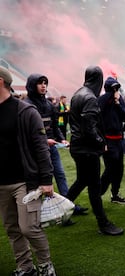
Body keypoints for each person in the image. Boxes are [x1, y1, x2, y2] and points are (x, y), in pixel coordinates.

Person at [0, 66, 56, 275]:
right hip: (2, 183)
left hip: (26, 182)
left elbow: (41, 147)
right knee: (12, 229)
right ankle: (25, 267)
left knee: (29, 228)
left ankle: (45, 265)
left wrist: (46, 180)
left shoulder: (25, 111)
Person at [66, 65, 123, 235]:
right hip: (87, 149)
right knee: (93, 186)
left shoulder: (78, 93)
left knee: (82, 181)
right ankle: (103, 223)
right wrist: (100, 143)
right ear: (98, 80)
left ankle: (61, 211)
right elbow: (89, 128)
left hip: (78, 147)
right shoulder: (89, 98)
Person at [24, 74, 87, 219]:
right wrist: (45, 141)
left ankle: (67, 206)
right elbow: (26, 133)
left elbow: (54, 126)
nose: (43, 86)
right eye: (40, 83)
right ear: (32, 85)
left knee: (60, 175)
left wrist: (61, 139)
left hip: (51, 149)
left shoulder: (48, 105)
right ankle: (38, 214)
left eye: (45, 83)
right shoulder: (26, 106)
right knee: (39, 182)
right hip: (35, 151)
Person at [98, 76, 125, 204]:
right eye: (113, 88)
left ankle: (115, 194)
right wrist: (102, 141)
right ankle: (98, 194)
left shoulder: (119, 100)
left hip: (118, 140)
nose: (115, 90)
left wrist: (117, 103)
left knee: (119, 169)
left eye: (117, 88)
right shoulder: (102, 100)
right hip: (108, 140)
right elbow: (98, 118)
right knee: (110, 169)